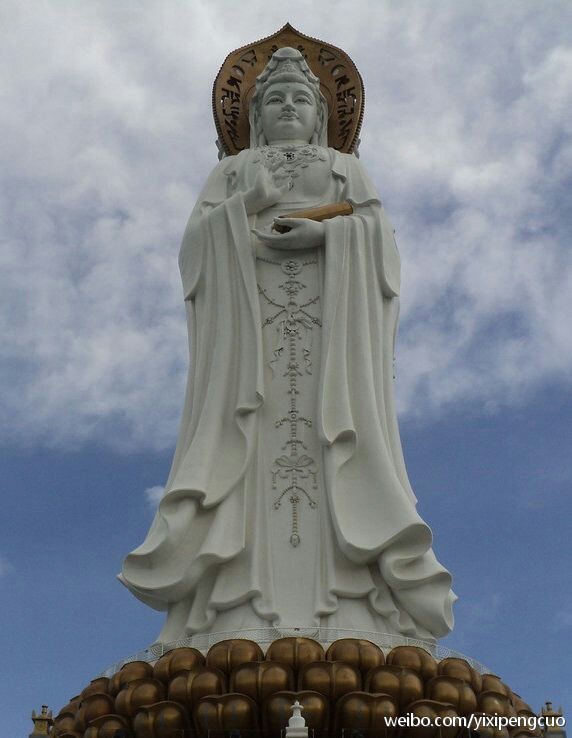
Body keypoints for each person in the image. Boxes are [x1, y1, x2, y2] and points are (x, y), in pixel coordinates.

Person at [120, 47, 455, 644]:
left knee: (334, 440)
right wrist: (245, 206)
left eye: (301, 98)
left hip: (331, 335)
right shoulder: (231, 172)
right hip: (248, 341)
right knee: (249, 442)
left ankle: (353, 603)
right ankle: (234, 601)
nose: (288, 108)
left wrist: (328, 235)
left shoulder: (343, 167)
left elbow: (379, 240)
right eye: (274, 99)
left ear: (322, 114)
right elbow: (195, 250)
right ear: (254, 116)